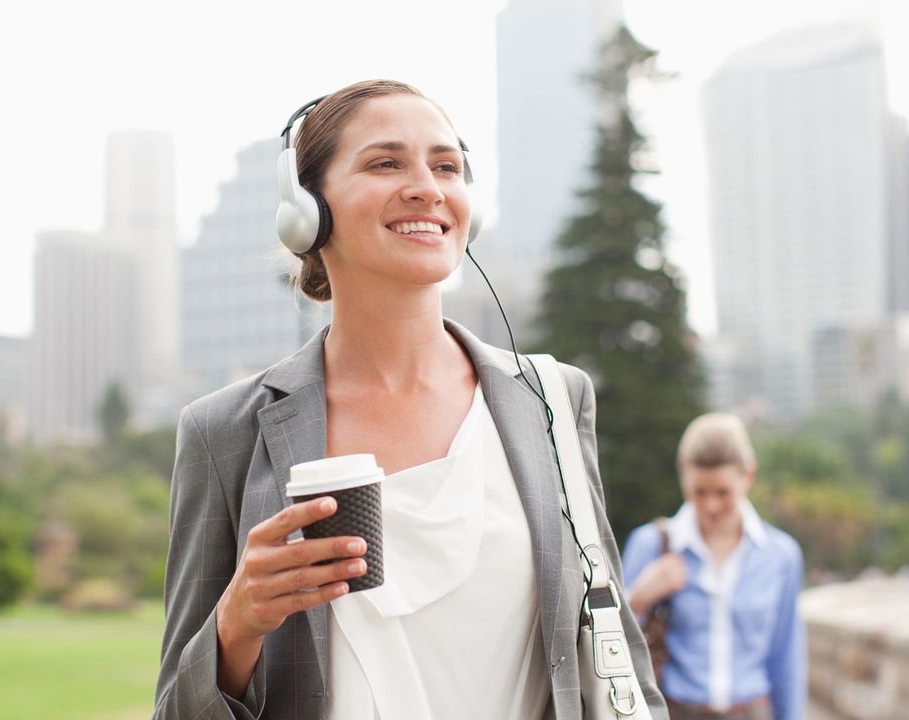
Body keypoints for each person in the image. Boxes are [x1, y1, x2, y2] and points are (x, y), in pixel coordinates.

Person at [152, 79, 666, 720]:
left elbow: (619, 658)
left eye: (446, 165)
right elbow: (176, 709)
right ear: (307, 207)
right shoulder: (223, 431)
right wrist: (237, 624)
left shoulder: (552, 400)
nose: (428, 185)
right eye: (385, 162)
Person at [621, 414, 805, 720]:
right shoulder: (650, 544)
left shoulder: (781, 555)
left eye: (723, 493)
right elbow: (607, 646)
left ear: (748, 476)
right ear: (682, 476)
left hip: (753, 712)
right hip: (672, 711)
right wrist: (637, 598)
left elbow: (786, 657)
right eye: (699, 492)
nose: (710, 506)